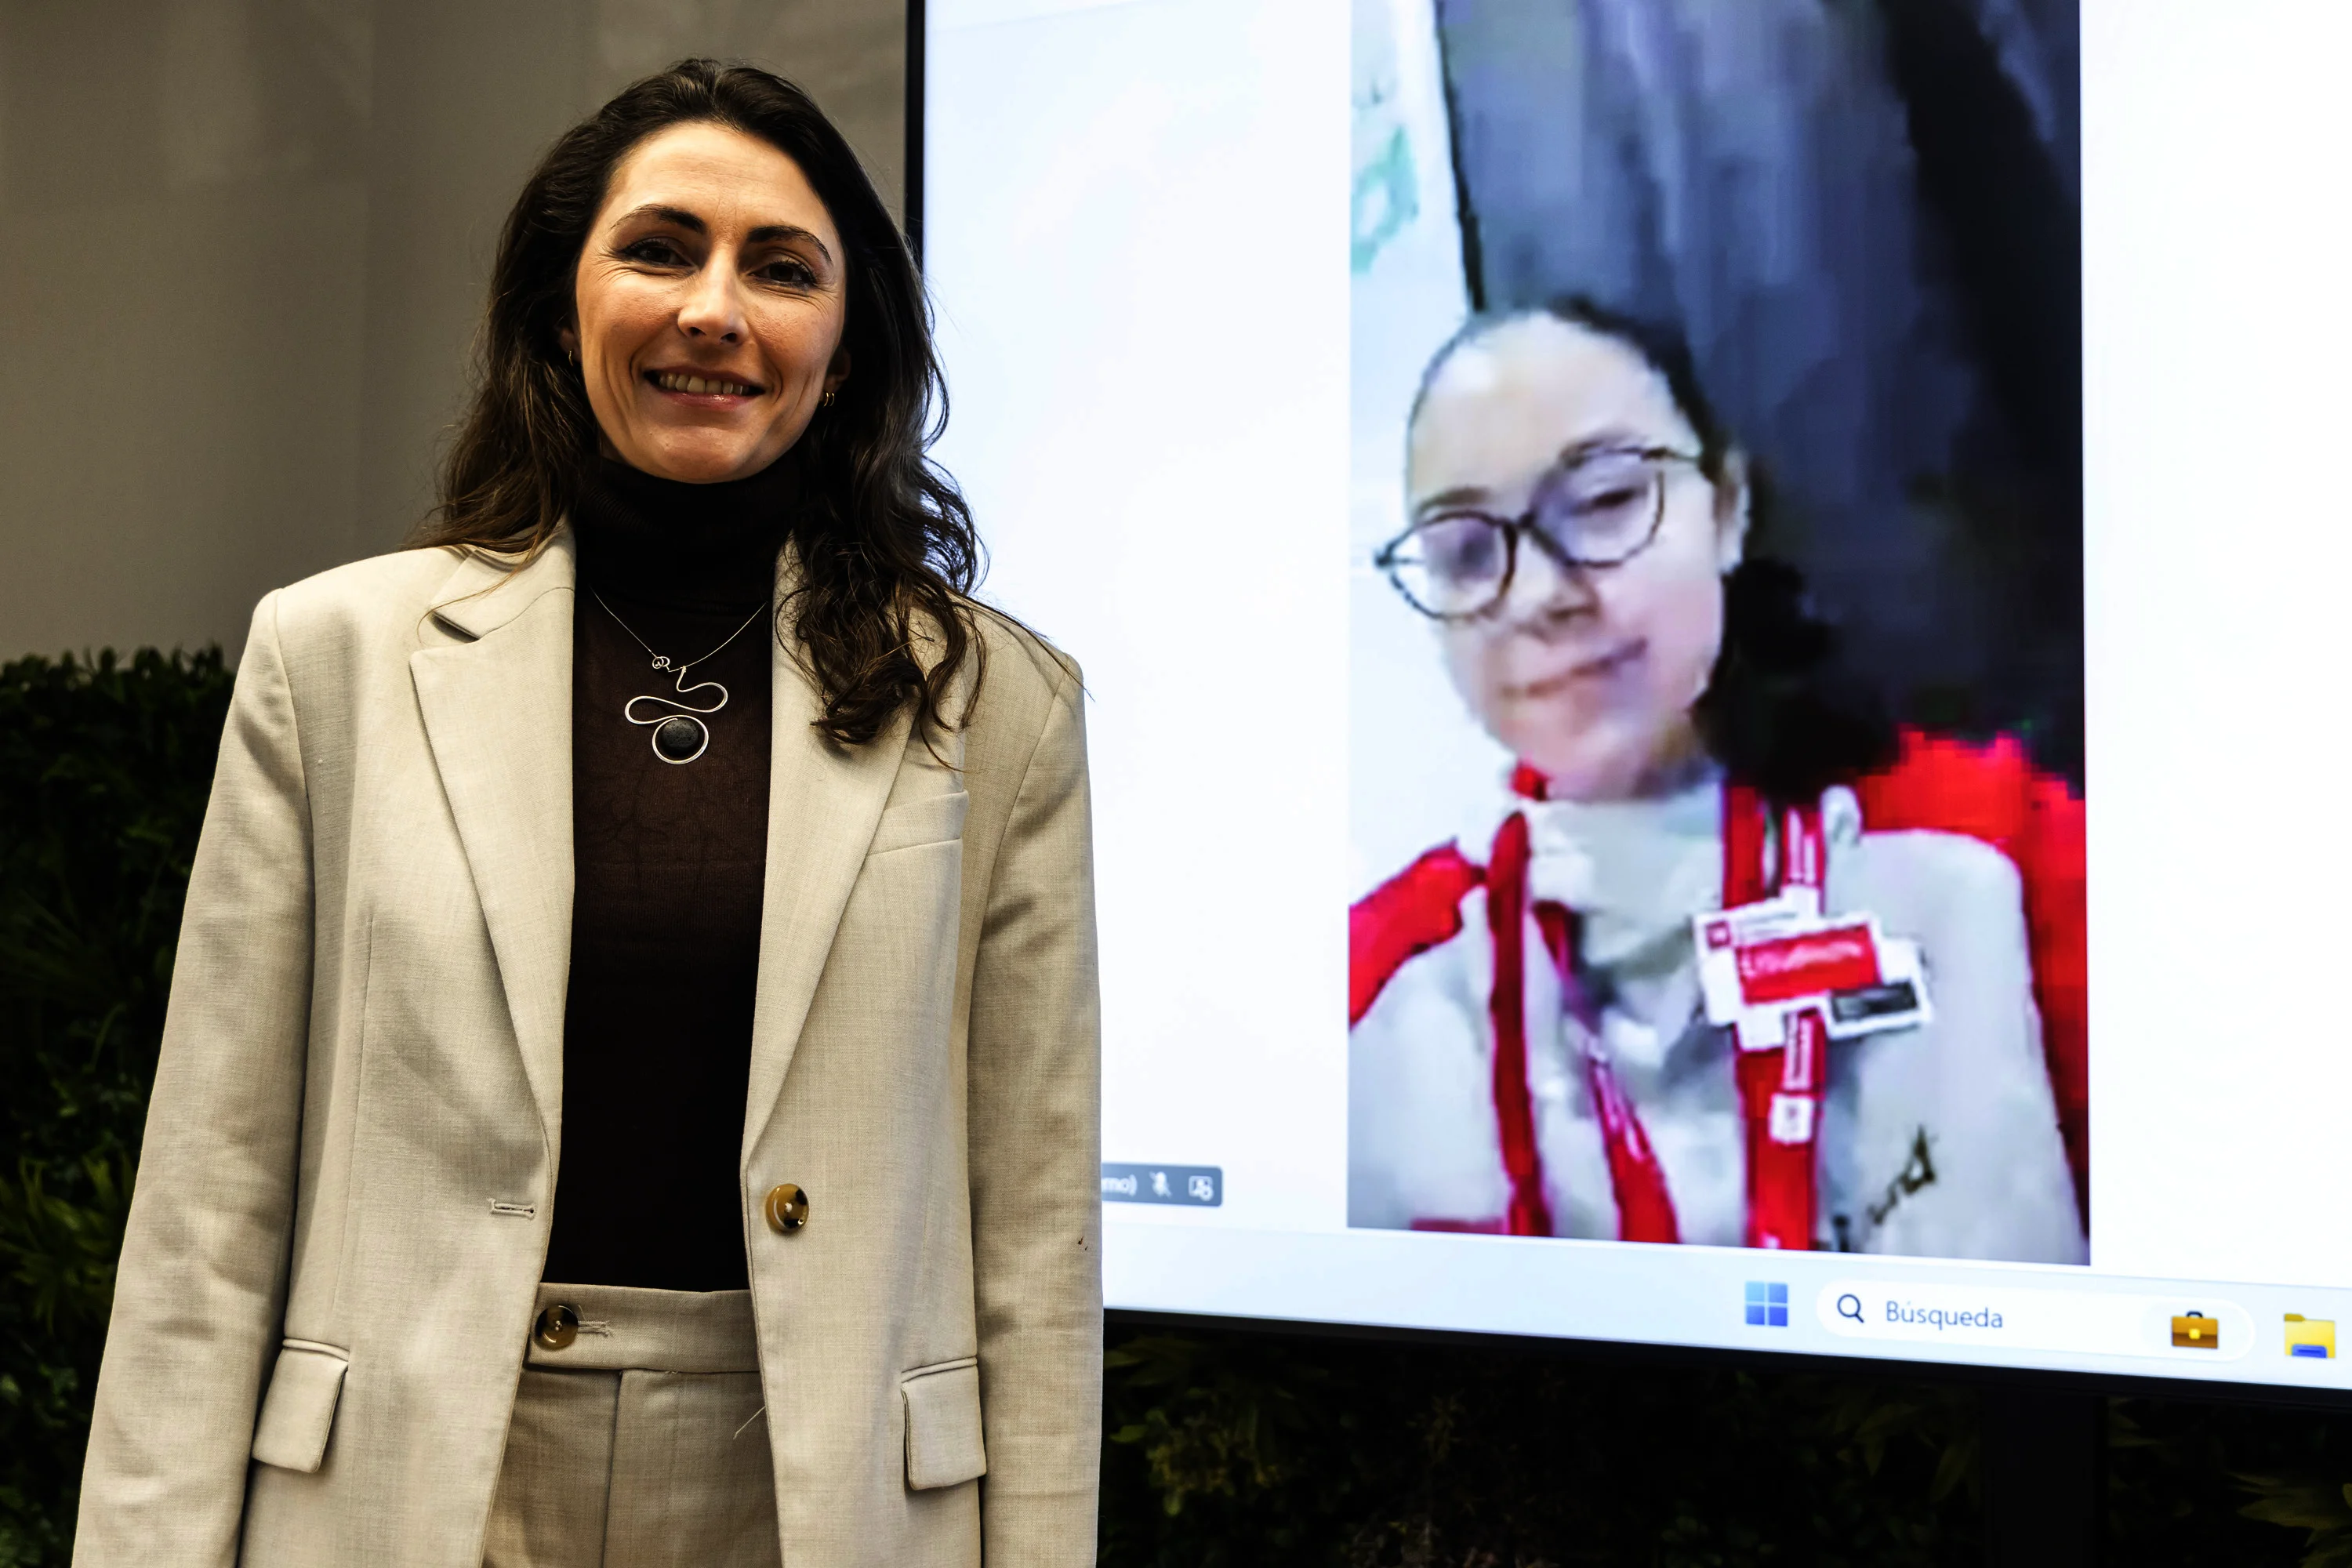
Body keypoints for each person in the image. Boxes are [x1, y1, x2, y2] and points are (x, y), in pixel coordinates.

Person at [74, 61, 1100, 1567]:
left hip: (827, 1497)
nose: (713, 308)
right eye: (660, 248)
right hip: (414, 1485)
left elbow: (1035, 1238)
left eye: (781, 267)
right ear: (563, 309)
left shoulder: (1000, 705)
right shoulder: (335, 658)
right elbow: (209, 1200)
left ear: (847, 344)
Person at [1349, 299, 2085, 1264]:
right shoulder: (1383, 984)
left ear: (1728, 508)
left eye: (1607, 499)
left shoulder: (1992, 851)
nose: (1536, 596)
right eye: (1466, 550)